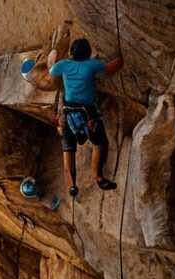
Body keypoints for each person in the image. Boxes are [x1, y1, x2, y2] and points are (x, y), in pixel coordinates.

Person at [49, 39, 123, 196]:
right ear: (88, 53)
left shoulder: (64, 65)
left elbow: (52, 71)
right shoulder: (91, 65)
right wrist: (120, 57)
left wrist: (61, 60)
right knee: (99, 143)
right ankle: (97, 176)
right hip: (88, 114)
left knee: (68, 148)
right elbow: (111, 68)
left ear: (71, 53)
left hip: (68, 113)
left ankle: (72, 186)